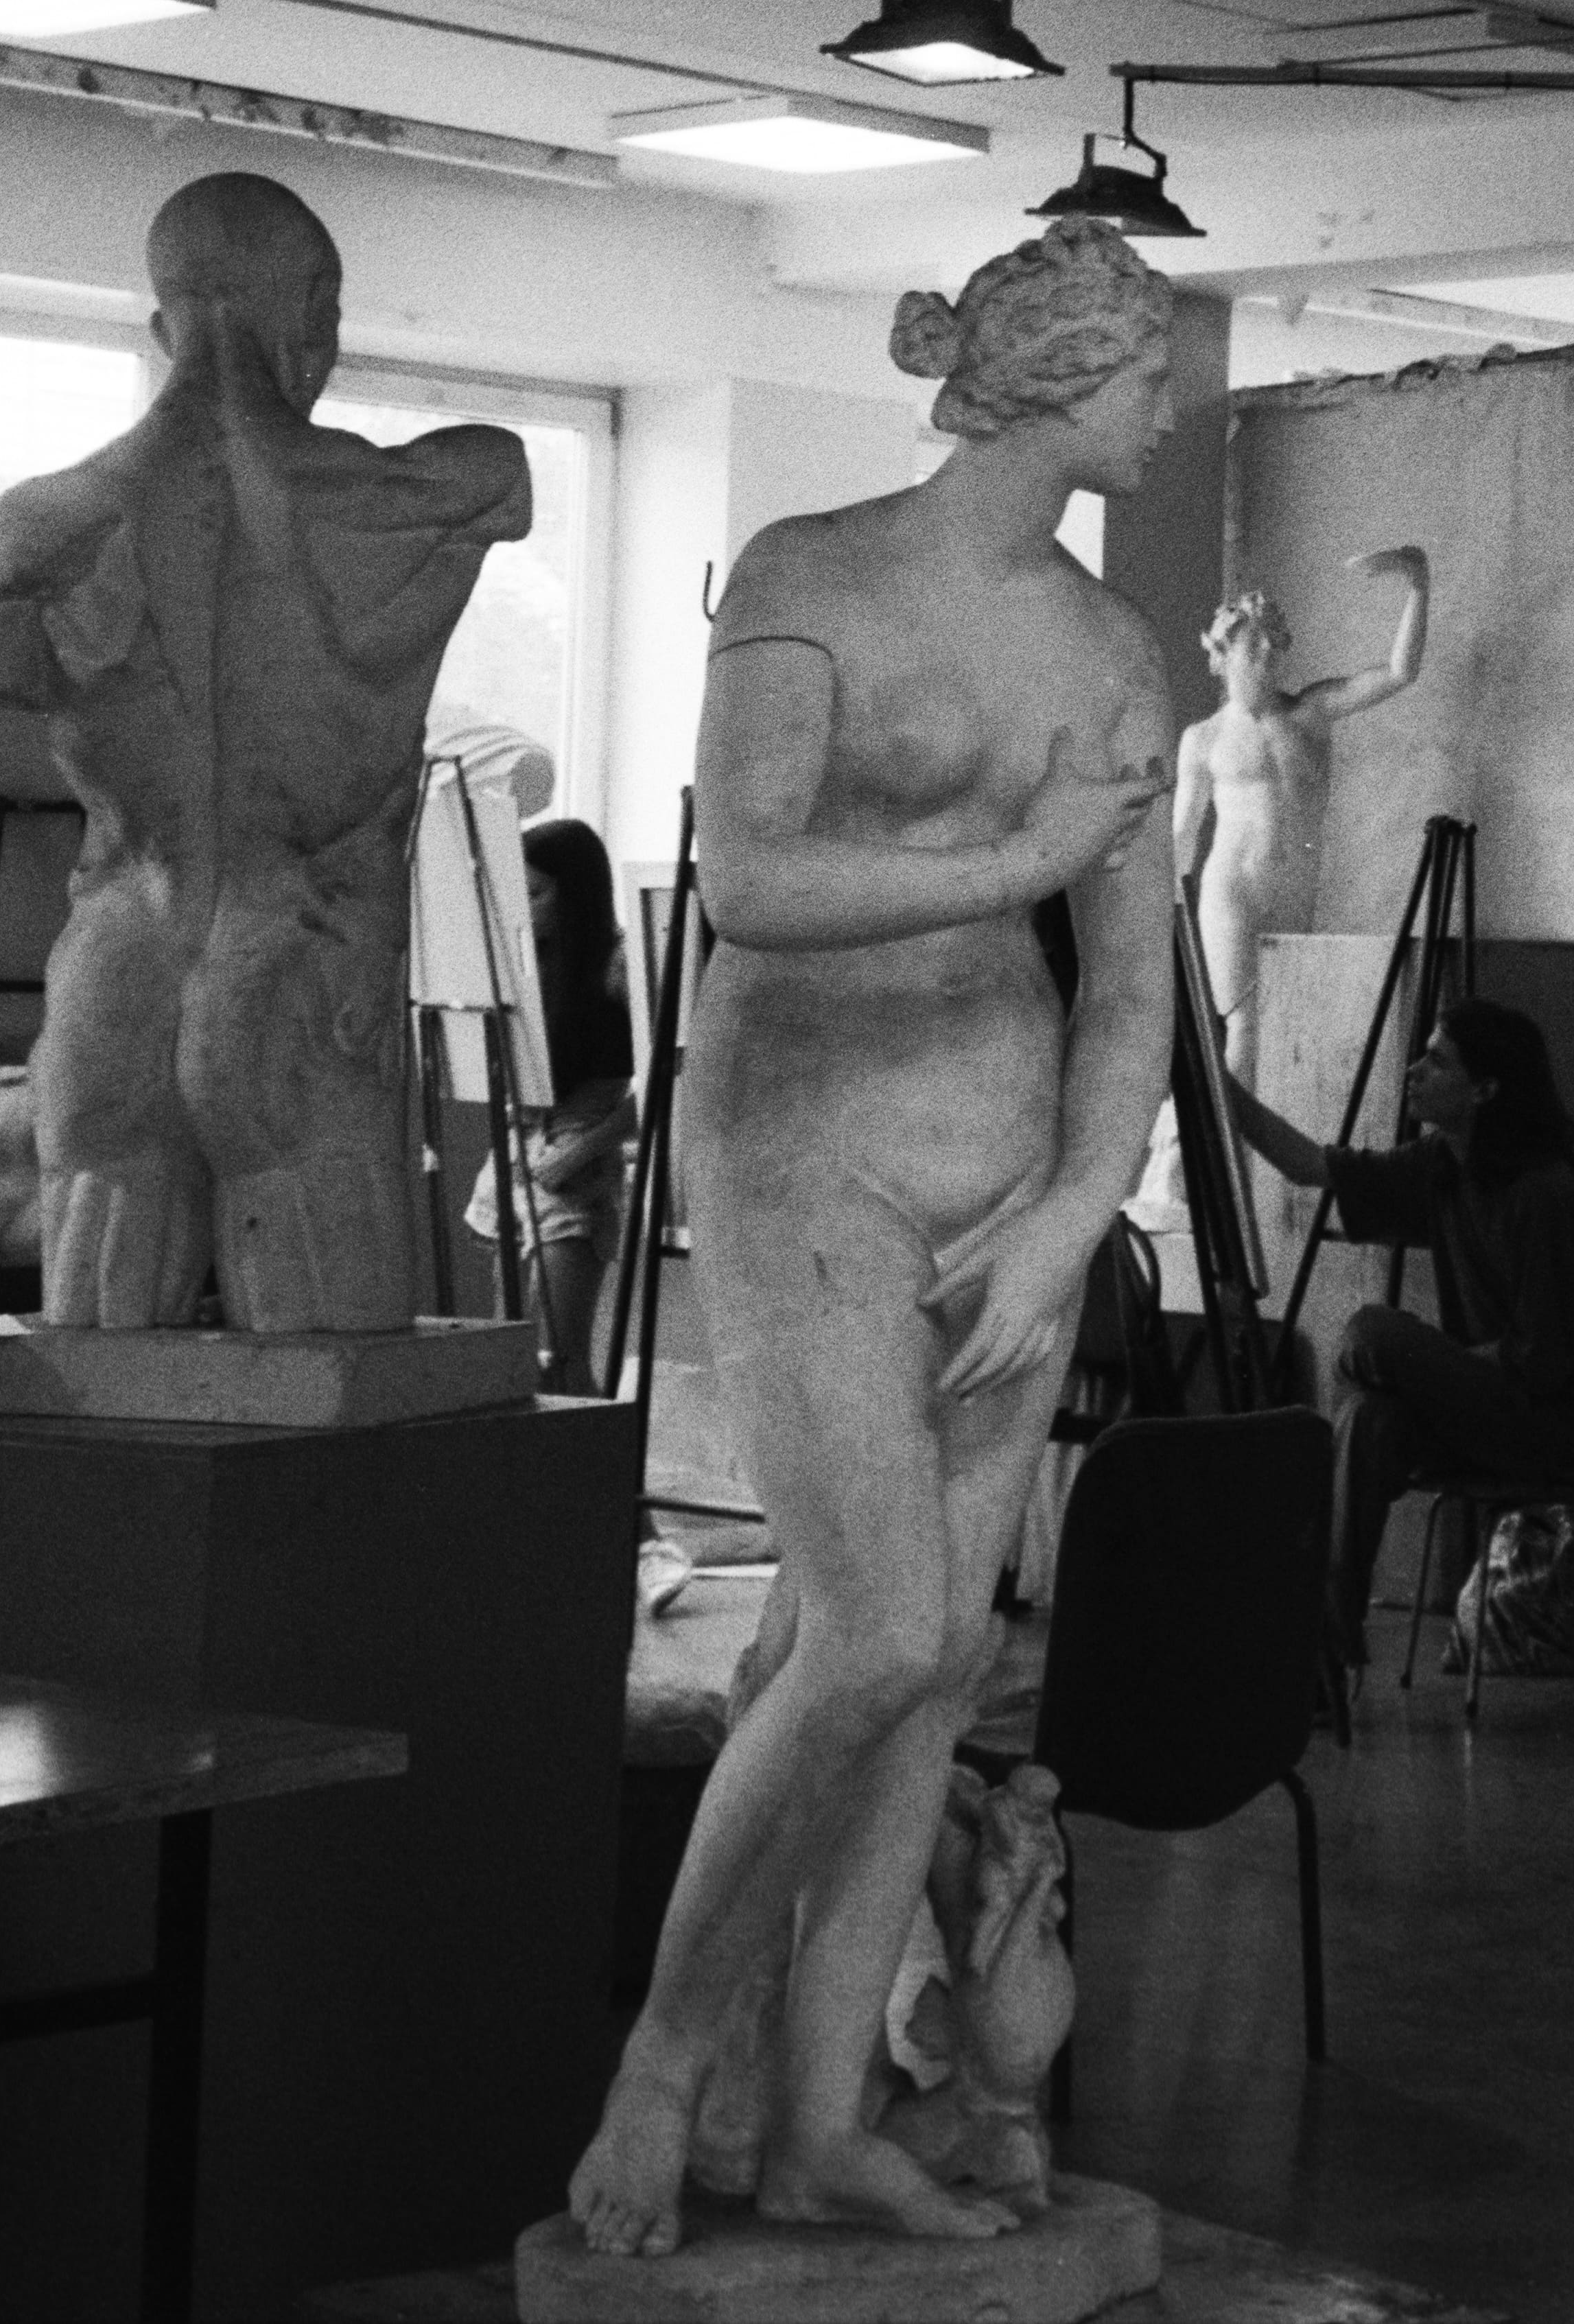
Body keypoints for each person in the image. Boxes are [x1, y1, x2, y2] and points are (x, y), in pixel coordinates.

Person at [565, 218, 1182, 2260]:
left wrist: (1077, 1210)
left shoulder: (1114, 652)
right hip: (802, 1139)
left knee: (935, 1673)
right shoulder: (810, 574)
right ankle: (661, 2072)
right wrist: (1021, 852)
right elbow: (746, 880)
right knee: (876, 1627)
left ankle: (817, 2122)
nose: (1164, 407)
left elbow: (1129, 981)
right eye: (1145, 371)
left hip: (1007, 1174)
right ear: (1061, 379)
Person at [0, 170, 530, 1334]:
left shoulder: (34, 528)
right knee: (328, 1358)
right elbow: (500, 476)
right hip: (302, 951)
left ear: (158, 323)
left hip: (120, 955)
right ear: (314, 313)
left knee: (98, 1351)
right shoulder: (409, 500)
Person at [1221, 997, 1574, 1665]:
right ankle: (1327, 1646)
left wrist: (1436, 1370)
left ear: (1485, 1091)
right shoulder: (1443, 1163)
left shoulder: (1544, 1195)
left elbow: (1544, 1364)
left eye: (1437, 1061)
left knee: (1369, 1332)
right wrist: (1219, 1086)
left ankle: (1314, 1633)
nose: (1414, 1070)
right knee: (1372, 1417)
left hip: (1561, 1429)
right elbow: (1308, 1166)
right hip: (1494, 1410)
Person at [1175, 550, 1431, 1035]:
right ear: (1223, 655)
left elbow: (1400, 673)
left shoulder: (1311, 712)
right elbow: (1182, 835)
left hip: (1292, 891)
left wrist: (1418, 584)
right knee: (1243, 1025)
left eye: (1273, 644)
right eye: (1254, 646)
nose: (1267, 654)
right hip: (1231, 891)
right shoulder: (1205, 738)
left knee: (1281, 1027)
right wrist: (1155, 919)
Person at [503, 816, 639, 1389]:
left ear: (575, 894)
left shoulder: (619, 967)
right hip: (520, 1158)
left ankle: (588, 1446)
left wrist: (580, 1153)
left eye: (536, 893)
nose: (524, 906)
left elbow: (663, 1088)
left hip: (576, 1167)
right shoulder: (525, 962)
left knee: (558, 1356)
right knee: (510, 1358)